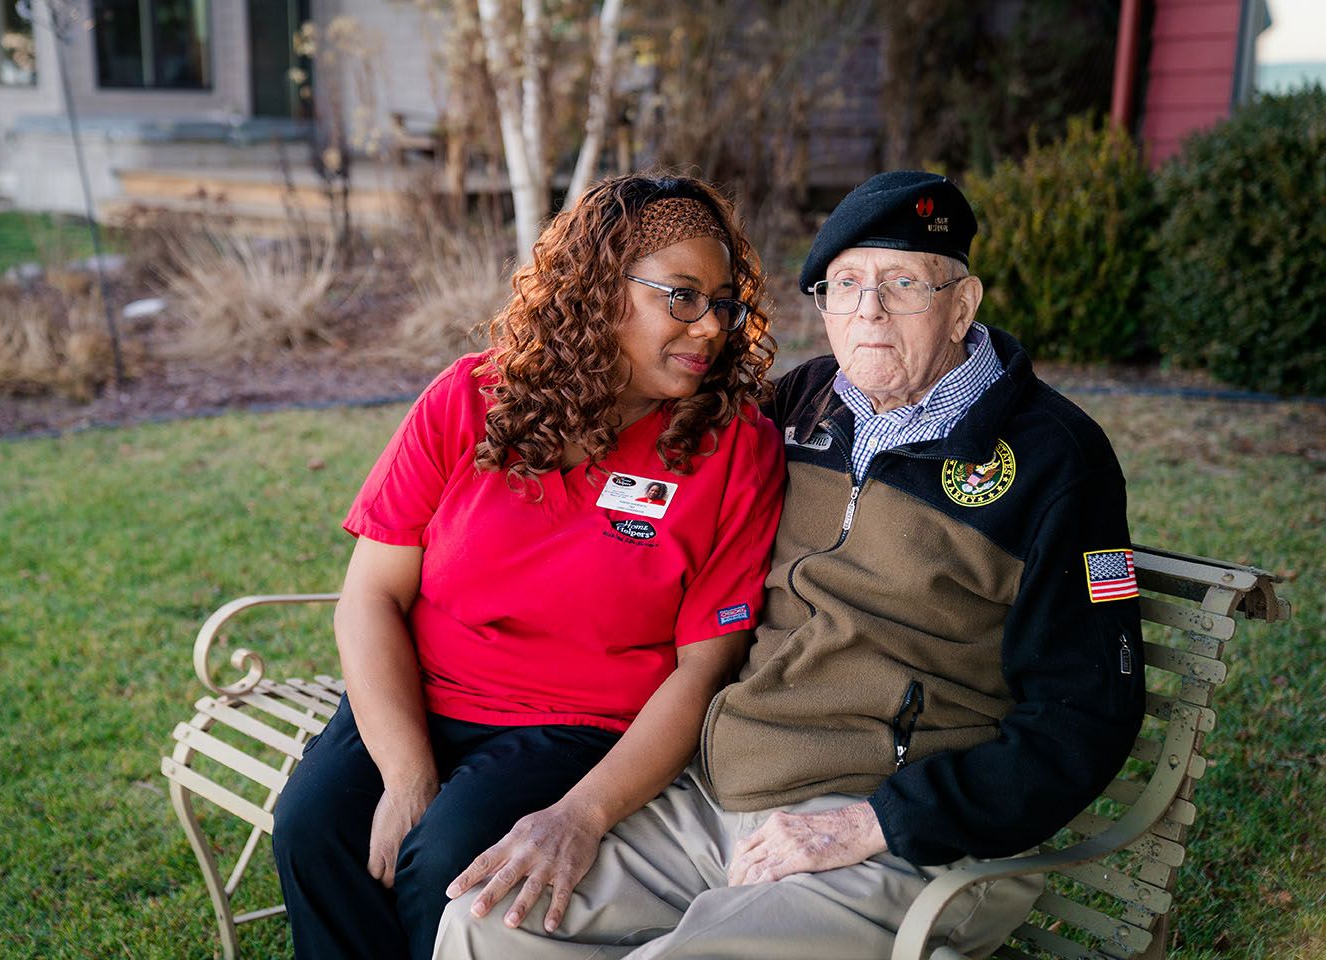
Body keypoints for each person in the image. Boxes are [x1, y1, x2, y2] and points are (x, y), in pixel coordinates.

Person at [435, 170, 1146, 959]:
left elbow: (1086, 715)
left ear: (963, 304)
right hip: (728, 795)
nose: (869, 310)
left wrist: (881, 819)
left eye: (902, 283)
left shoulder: (1058, 463)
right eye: (845, 285)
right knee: (487, 922)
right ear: (824, 308)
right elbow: (649, 441)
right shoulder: (798, 408)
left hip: (908, 837)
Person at [270, 173, 786, 960]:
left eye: (723, 302)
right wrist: (407, 776)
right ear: (597, 290)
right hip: (427, 687)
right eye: (681, 296)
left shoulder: (733, 450)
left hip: (574, 726)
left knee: (447, 865)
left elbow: (702, 671)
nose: (711, 327)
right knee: (314, 827)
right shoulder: (470, 399)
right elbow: (370, 595)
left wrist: (579, 814)